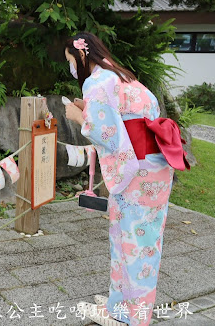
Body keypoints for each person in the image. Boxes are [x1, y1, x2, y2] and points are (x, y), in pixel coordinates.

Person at [63, 32, 190, 326]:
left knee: (129, 241)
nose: (72, 68)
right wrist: (90, 111)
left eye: (71, 61)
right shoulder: (124, 77)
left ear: (82, 55)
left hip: (136, 169)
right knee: (143, 241)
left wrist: (78, 116)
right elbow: (123, 118)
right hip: (156, 167)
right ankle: (119, 302)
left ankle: (129, 315)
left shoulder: (98, 81)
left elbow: (105, 132)